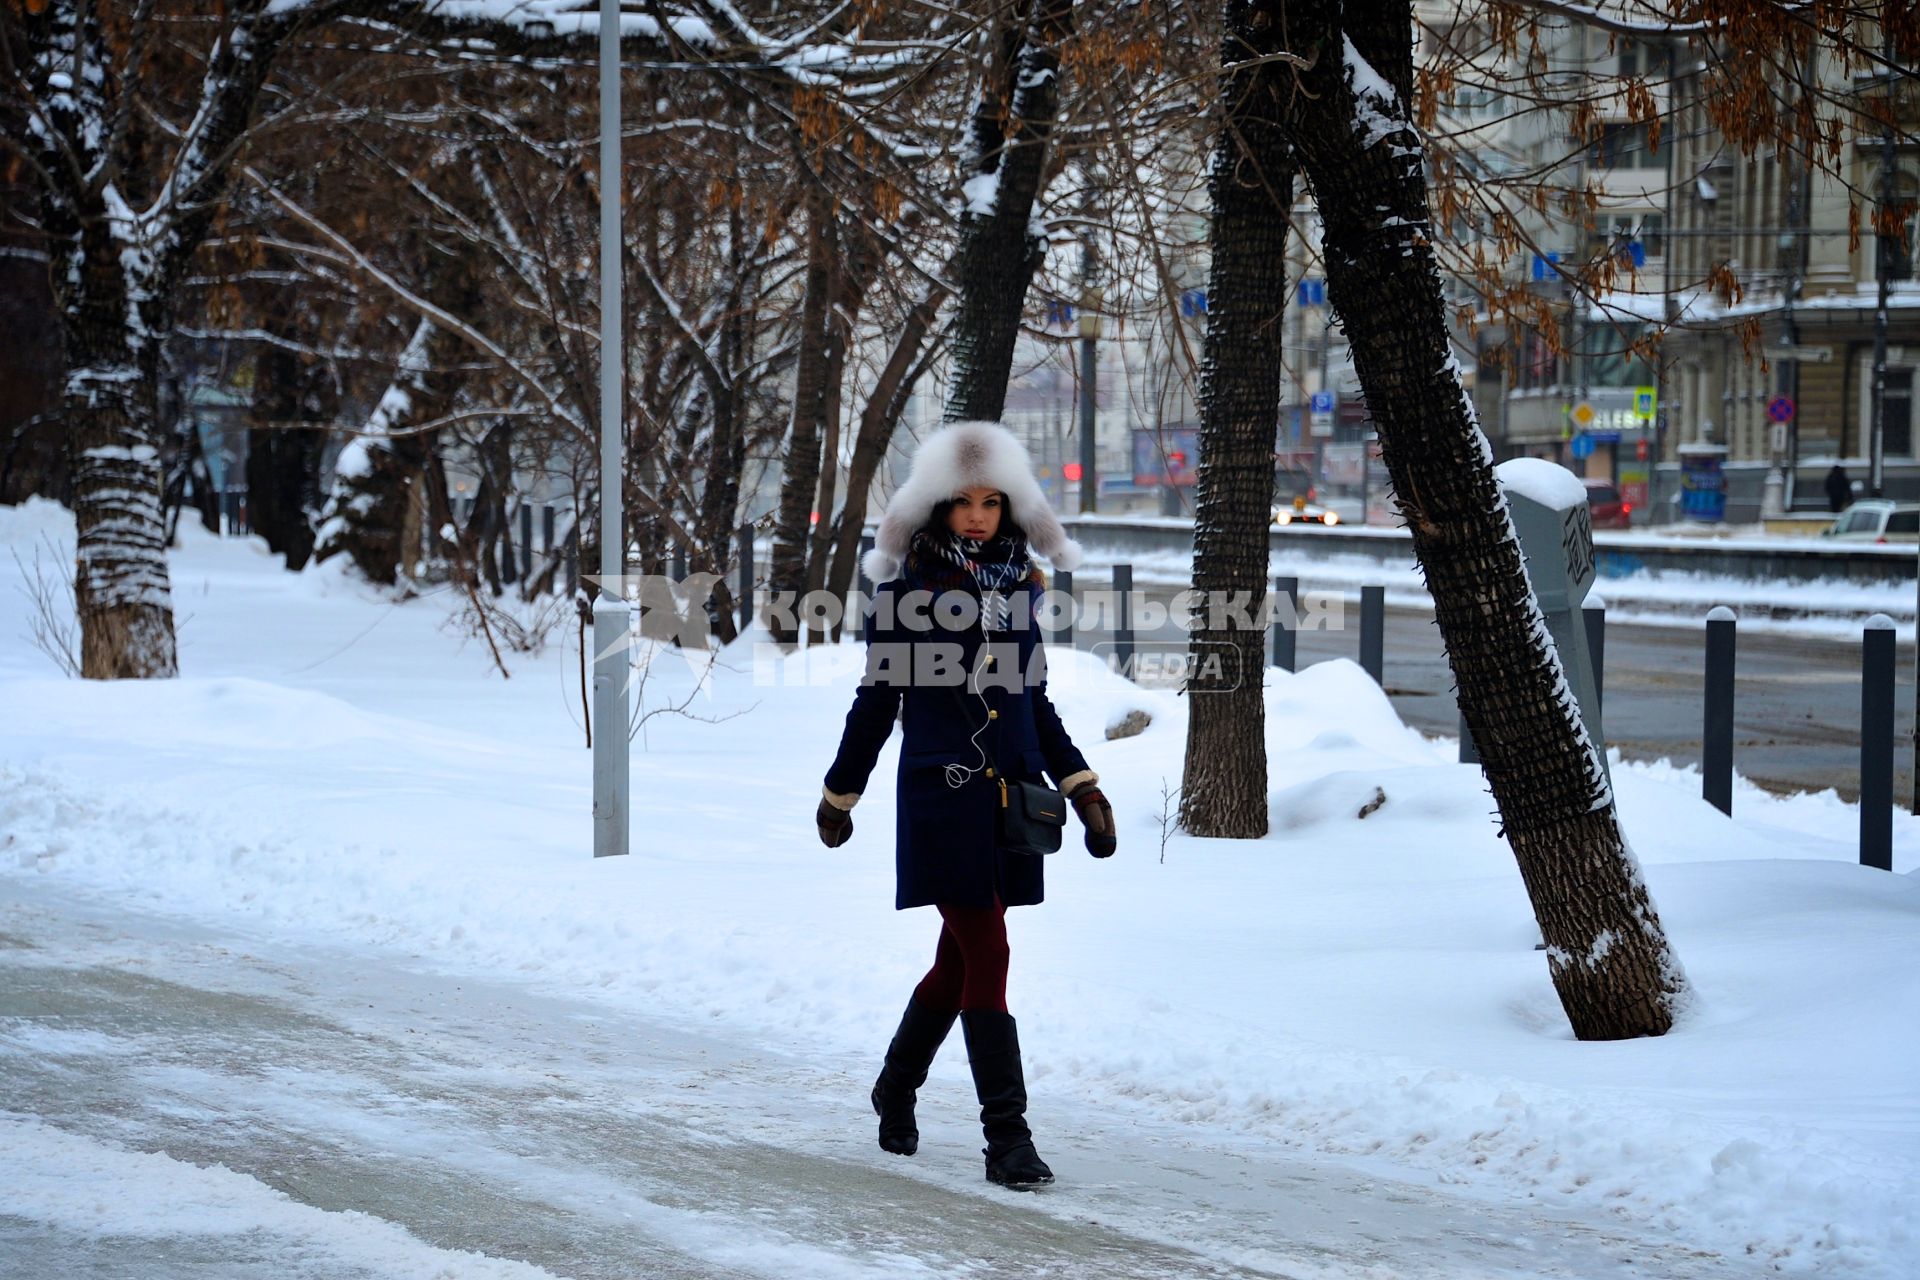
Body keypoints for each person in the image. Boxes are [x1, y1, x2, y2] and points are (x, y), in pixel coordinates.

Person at [815, 420, 1116, 1190]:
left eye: (992, 501)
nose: (978, 515)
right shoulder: (906, 594)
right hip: (942, 799)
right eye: (962, 502)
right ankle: (1006, 1137)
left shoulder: (1023, 589)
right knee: (987, 952)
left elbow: (1034, 705)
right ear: (935, 509)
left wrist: (1082, 786)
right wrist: (841, 791)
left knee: (957, 964)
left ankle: (896, 1083)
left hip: (1011, 799)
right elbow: (878, 700)